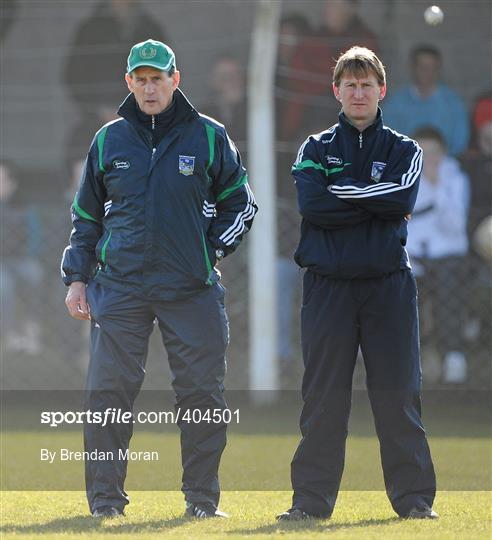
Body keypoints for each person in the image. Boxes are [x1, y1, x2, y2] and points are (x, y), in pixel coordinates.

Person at [61, 39, 257, 519]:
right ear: (129, 83)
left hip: (191, 288)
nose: (150, 88)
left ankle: (202, 502)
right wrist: (76, 278)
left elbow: (242, 203)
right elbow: (86, 216)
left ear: (176, 79)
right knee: (108, 394)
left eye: (158, 78)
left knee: (202, 395)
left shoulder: (209, 136)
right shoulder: (108, 140)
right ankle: (106, 503)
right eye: (141, 79)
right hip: (120, 286)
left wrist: (209, 250)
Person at [277, 46, 437, 521]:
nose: (359, 92)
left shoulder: (405, 150)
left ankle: (413, 502)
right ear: (337, 92)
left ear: (381, 90)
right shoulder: (315, 148)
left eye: (367, 84)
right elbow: (313, 206)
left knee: (398, 394)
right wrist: (374, 200)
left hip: (388, 286)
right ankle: (310, 503)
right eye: (350, 84)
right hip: (327, 287)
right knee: (323, 397)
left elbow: (400, 195)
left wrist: (341, 191)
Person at [406, 127, 470, 383]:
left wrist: (437, 186)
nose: (428, 159)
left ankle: (453, 358)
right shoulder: (403, 177)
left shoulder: (456, 179)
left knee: (448, 289)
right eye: (422, 153)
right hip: (412, 255)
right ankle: (408, 360)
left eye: (433, 153)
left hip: (447, 254)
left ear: (444, 153)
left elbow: (454, 227)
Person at [282, 0, 378, 143]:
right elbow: (298, 77)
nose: (328, 10)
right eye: (327, 4)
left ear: (351, 9)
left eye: (335, 5)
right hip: (309, 114)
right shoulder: (312, 39)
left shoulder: (365, 40)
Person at [383, 45, 469, 156]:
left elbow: (460, 144)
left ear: (439, 69)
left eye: (432, 67)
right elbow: (386, 139)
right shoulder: (395, 102)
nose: (427, 71)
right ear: (412, 68)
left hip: (442, 166)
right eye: (422, 66)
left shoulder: (453, 103)